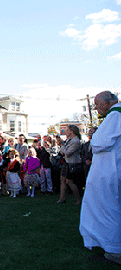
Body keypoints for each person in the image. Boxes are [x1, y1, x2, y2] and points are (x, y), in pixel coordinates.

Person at [80, 91, 121, 264]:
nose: (96, 108)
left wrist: (94, 136)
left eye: (97, 104)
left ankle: (114, 250)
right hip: (110, 169)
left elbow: (99, 142)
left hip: (108, 172)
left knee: (107, 207)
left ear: (107, 102)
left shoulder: (116, 115)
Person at [56, 125, 82, 205]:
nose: (66, 132)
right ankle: (62, 198)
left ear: (72, 131)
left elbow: (67, 153)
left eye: (67, 130)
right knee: (63, 180)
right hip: (67, 163)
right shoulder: (70, 140)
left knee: (70, 182)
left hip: (73, 164)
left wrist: (62, 145)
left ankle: (79, 199)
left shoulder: (76, 141)